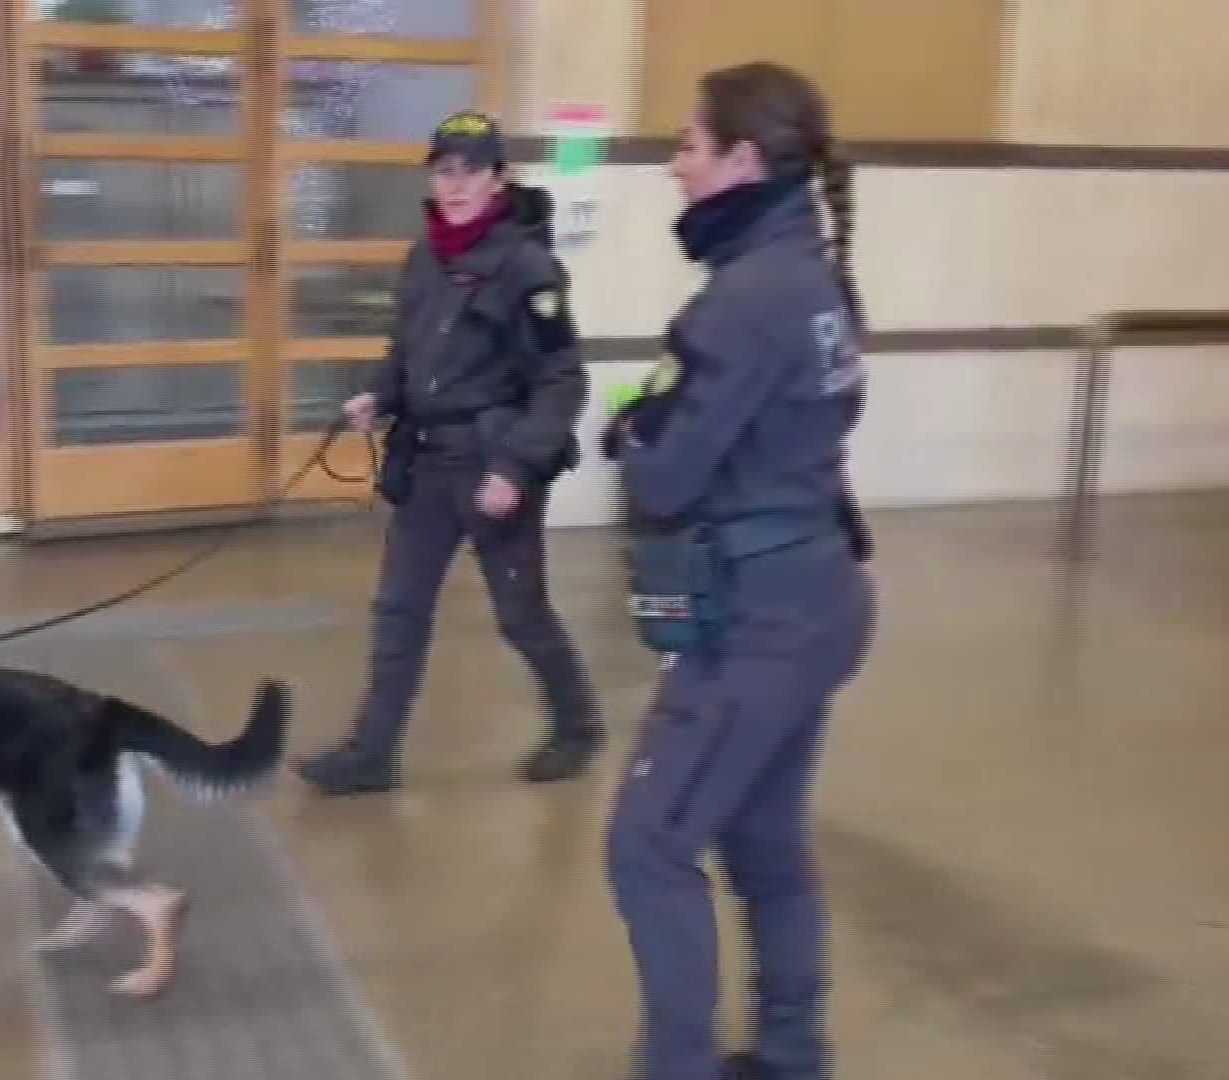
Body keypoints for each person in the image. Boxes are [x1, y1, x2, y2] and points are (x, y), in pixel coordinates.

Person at [601, 62, 876, 1080]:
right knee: (761, 842)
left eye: (687, 144)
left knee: (649, 847)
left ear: (742, 159)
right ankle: (793, 1053)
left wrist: (630, 429)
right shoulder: (813, 274)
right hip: (819, 593)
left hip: (758, 619)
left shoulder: (744, 297)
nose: (674, 166)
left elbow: (665, 477)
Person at [295, 110, 604, 797]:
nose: (455, 184)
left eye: (470, 170)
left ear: (498, 179)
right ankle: (373, 753)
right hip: (429, 461)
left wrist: (515, 468)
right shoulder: (423, 257)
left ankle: (578, 724)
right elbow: (405, 352)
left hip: (493, 465)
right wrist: (378, 397)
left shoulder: (526, 267)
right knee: (399, 609)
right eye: (444, 170)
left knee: (521, 615)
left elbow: (562, 379)